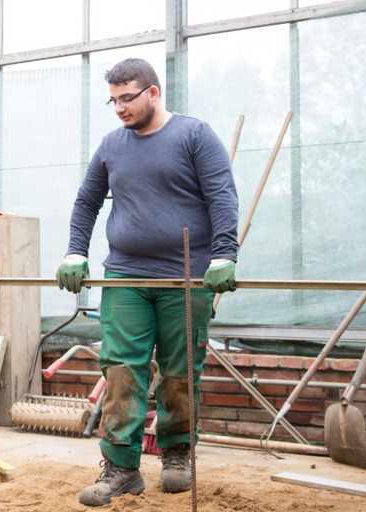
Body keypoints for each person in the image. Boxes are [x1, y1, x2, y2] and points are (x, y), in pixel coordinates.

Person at [55, 57, 239, 506]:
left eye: (127, 98)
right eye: (113, 100)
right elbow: (86, 202)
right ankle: (121, 468)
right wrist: (75, 250)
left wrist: (224, 255)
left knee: (180, 372)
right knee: (121, 370)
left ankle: (176, 454)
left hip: (186, 277)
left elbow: (222, 196)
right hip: (125, 278)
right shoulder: (111, 145)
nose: (119, 108)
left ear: (153, 93)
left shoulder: (194, 135)